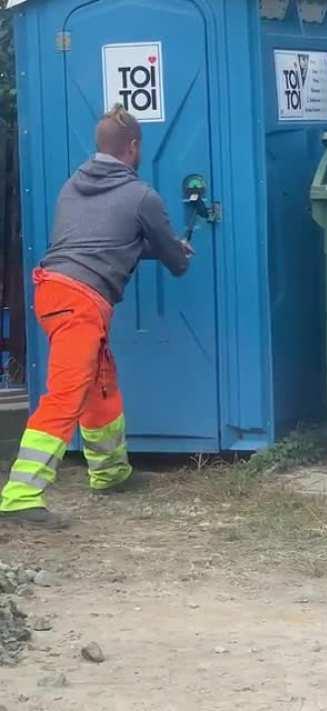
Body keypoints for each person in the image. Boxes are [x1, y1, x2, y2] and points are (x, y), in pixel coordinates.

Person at [0, 104, 193, 529]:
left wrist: (149, 247)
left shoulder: (72, 186)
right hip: (81, 302)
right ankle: (19, 494)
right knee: (66, 393)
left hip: (55, 292)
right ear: (134, 147)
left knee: (99, 383)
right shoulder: (143, 195)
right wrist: (177, 248)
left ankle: (109, 473)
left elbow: (100, 243)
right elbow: (174, 261)